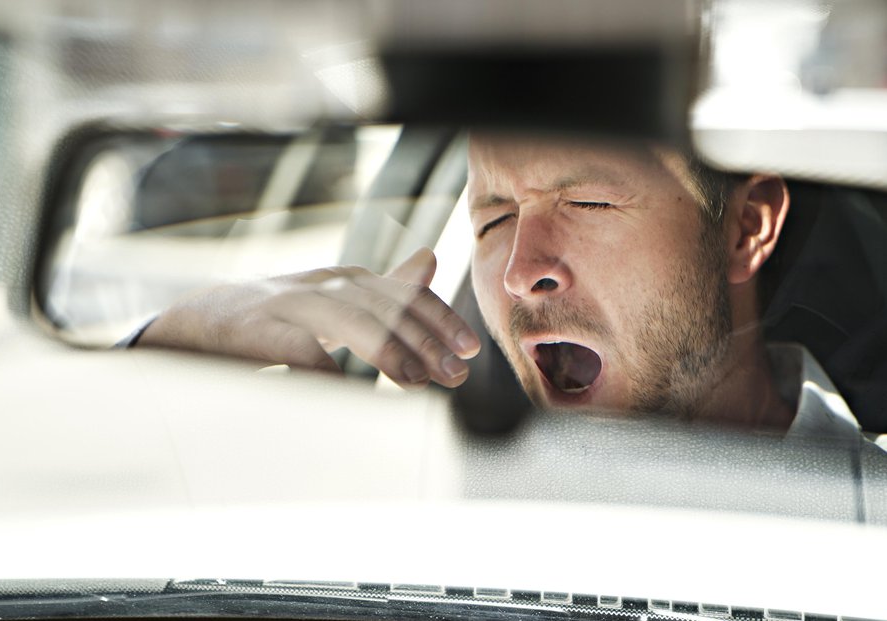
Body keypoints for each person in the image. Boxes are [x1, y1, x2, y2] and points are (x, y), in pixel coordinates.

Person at [132, 133, 862, 437]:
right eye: (492, 219)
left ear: (747, 229)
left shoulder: (863, 526)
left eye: (588, 203)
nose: (518, 269)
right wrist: (191, 335)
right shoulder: (418, 494)